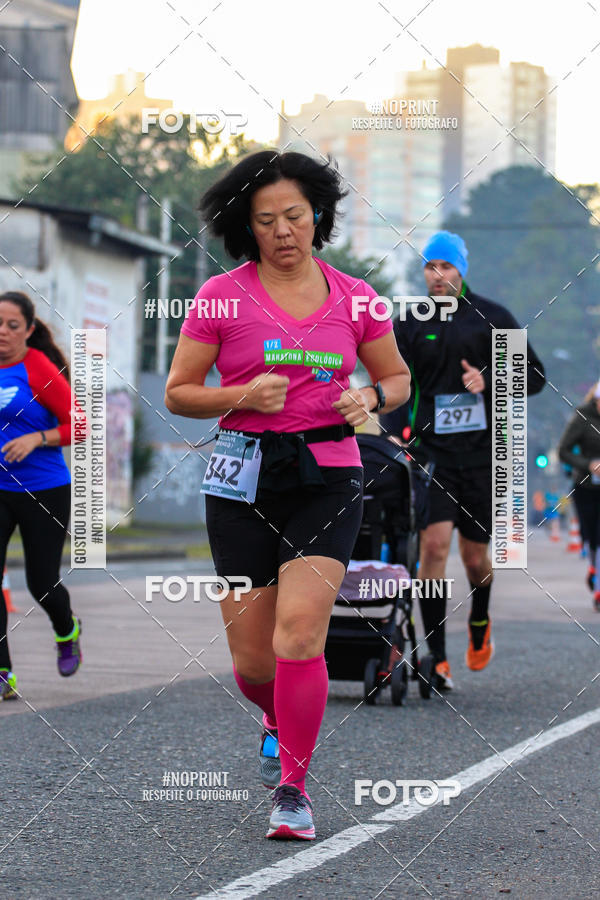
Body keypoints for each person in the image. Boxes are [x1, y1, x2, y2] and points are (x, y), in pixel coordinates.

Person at [165, 150, 410, 840]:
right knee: (253, 663)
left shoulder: (356, 297)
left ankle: (294, 792)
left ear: (318, 217)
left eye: (295, 216)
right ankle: (274, 712)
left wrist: (368, 395)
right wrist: (240, 394)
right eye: (266, 219)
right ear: (248, 226)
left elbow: (396, 381)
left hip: (330, 473)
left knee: (301, 635)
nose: (282, 231)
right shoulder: (221, 296)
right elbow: (179, 392)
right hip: (242, 478)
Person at [380, 231, 545, 689]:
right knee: (432, 549)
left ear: (461, 270)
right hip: (432, 456)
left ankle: (479, 619)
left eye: (446, 267)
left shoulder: (492, 319)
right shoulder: (409, 323)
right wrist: (396, 436)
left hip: (484, 458)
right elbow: (395, 383)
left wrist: (490, 380)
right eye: (430, 267)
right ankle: (436, 658)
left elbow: (534, 378)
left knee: (475, 558)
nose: (437, 276)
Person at [0, 291, 82, 701]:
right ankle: (3, 673)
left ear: (29, 331)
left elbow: (79, 427)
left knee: (41, 582)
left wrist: (37, 438)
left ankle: (66, 630)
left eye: (12, 326)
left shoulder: (37, 368)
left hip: (43, 490)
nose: (3, 333)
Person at [558, 381, 600, 610]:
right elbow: (562, 450)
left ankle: (599, 591)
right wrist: (588, 464)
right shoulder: (582, 417)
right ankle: (594, 567)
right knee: (590, 535)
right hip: (585, 486)